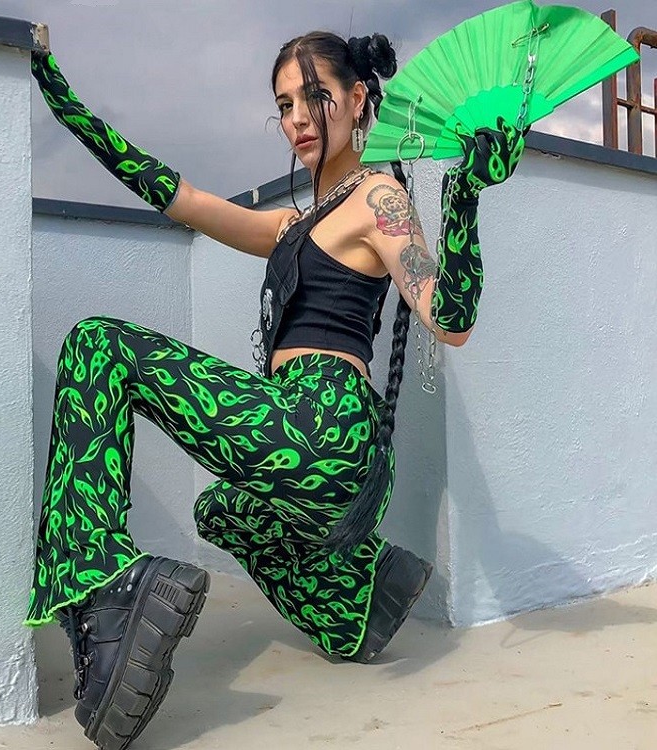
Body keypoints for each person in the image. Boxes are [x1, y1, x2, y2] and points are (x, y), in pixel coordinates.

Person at [27, 29, 525, 750]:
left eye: (314, 97)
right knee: (221, 512)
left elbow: (448, 319)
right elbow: (181, 197)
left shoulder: (379, 198)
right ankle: (355, 602)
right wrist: (64, 102)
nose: (296, 118)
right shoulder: (293, 225)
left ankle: (107, 598)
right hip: (302, 434)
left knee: (98, 346)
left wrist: (467, 197)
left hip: (325, 424)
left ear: (358, 99)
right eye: (284, 104)